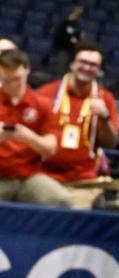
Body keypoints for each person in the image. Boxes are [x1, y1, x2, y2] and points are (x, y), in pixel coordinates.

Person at [36, 40, 119, 207]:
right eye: (83, 62)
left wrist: (104, 118)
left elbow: (111, 143)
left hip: (84, 183)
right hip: (44, 178)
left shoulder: (105, 98)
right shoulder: (47, 93)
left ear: (99, 70)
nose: (88, 68)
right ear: (72, 64)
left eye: (93, 65)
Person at [0, 46, 72, 206]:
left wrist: (28, 137)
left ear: (27, 70)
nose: (12, 85)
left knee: (61, 200)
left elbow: (50, 148)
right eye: (6, 80)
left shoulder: (43, 105)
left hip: (29, 177)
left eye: (16, 79)